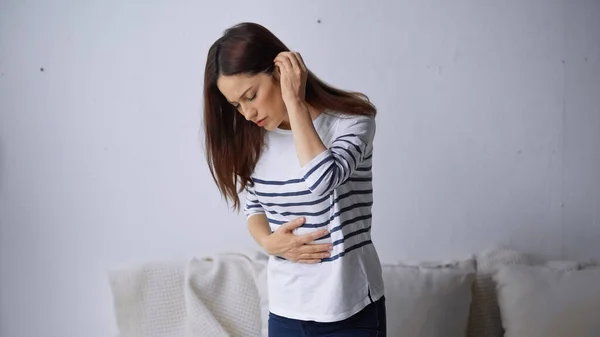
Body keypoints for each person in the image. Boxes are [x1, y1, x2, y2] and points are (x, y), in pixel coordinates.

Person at [203, 22, 386, 337]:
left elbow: (322, 180)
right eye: (236, 105)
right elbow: (254, 207)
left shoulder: (352, 122)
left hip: (352, 309)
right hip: (287, 311)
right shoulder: (254, 141)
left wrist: (295, 104)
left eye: (251, 96)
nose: (247, 113)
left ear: (281, 72)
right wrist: (268, 241)